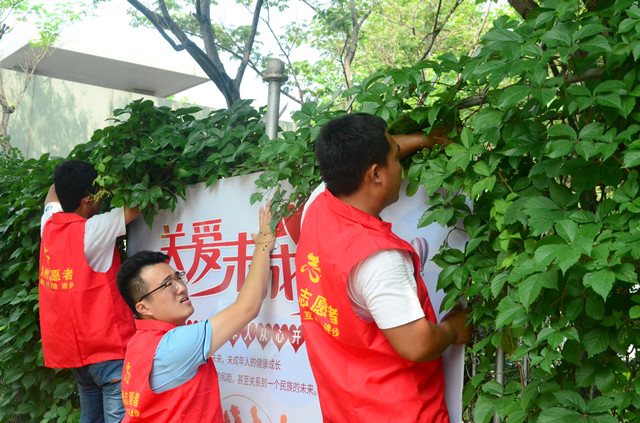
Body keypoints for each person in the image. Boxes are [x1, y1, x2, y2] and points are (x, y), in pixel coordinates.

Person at [295, 113, 473, 422]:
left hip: (347, 409)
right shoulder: (379, 258)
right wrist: (452, 330)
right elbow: (417, 344)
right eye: (395, 156)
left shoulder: (318, 206)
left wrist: (424, 139)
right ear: (376, 174)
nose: (400, 164)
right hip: (404, 412)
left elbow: (359, 158)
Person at [115, 202, 275, 422]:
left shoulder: (141, 343)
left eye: (177, 277)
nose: (181, 287)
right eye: (166, 285)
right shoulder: (173, 346)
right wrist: (264, 244)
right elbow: (247, 308)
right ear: (144, 307)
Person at [39, 159, 142, 422]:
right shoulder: (94, 230)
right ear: (87, 199)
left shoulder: (48, 225)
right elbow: (142, 202)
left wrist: (68, 181)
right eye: (97, 196)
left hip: (78, 357)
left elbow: (53, 194)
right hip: (110, 353)